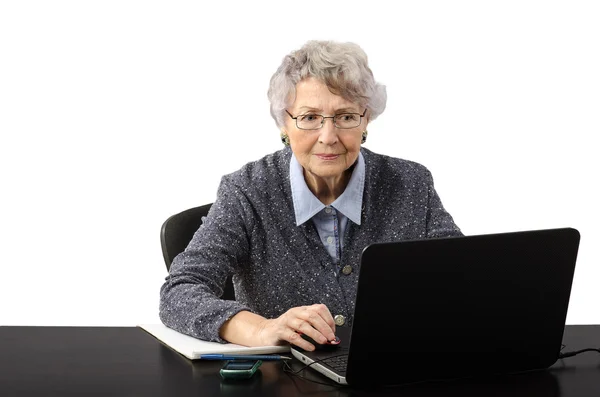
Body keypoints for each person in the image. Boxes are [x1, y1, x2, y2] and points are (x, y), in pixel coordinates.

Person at [159, 40, 462, 351]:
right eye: (309, 118)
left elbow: (462, 276)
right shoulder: (246, 192)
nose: (328, 138)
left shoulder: (411, 183)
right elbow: (179, 293)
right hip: (282, 381)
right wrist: (263, 329)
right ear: (284, 124)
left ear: (366, 119)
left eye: (345, 117)